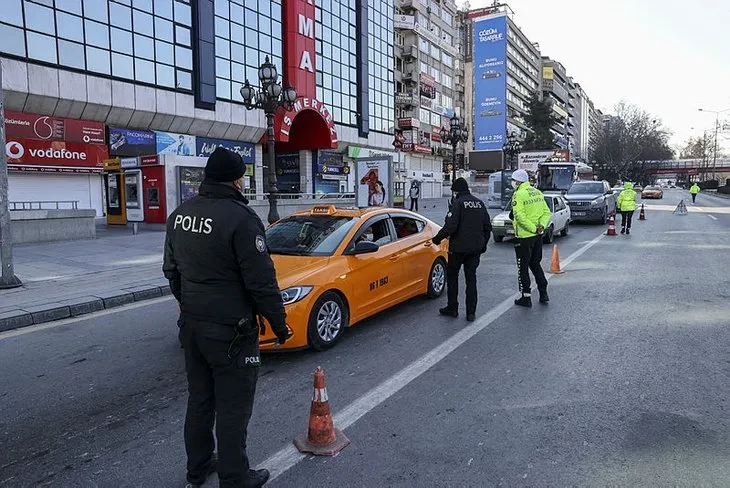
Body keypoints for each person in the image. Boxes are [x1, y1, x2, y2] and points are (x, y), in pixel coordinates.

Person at [163, 147, 289, 488]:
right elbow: (261, 281)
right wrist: (279, 324)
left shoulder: (180, 214)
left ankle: (198, 468)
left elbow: (171, 271)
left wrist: (190, 305)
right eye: (243, 177)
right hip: (232, 331)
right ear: (236, 180)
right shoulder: (242, 218)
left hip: (192, 327)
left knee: (200, 400)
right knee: (233, 407)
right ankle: (235, 478)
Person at [432, 178, 492, 322]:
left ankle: (452, 308)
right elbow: (487, 227)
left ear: (456, 191)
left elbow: (450, 227)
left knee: (453, 278)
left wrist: (437, 239)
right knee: (471, 280)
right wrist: (483, 245)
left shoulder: (458, 203)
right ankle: (471, 312)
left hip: (458, 249)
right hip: (475, 249)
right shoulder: (479, 203)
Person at [509, 169, 551, 308]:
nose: (512, 183)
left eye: (513, 180)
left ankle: (526, 297)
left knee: (523, 268)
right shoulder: (537, 192)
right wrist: (541, 227)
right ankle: (543, 293)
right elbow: (546, 212)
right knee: (535, 264)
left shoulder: (518, 194)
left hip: (524, 237)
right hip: (537, 237)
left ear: (518, 181)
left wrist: (532, 228)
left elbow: (519, 216)